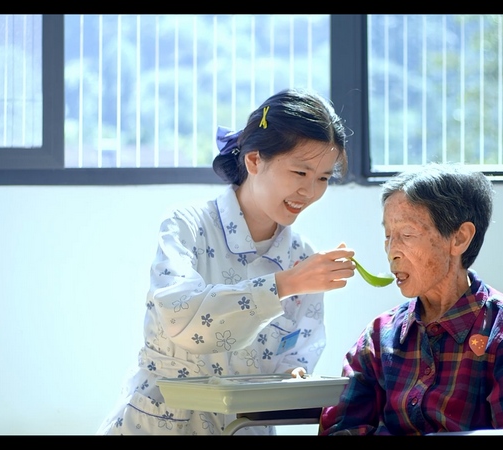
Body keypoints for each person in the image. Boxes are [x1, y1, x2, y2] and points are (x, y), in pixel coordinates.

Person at [97, 88, 356, 435]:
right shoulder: (186, 225)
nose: (309, 192)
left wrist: (292, 376)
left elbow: (298, 353)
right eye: (300, 173)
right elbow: (182, 317)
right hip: (160, 423)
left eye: (323, 178)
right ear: (253, 160)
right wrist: (284, 284)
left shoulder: (302, 258)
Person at [318, 163, 503, 435]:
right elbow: (340, 428)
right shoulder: (378, 337)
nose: (392, 252)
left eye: (407, 235)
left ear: (459, 238)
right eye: (388, 236)